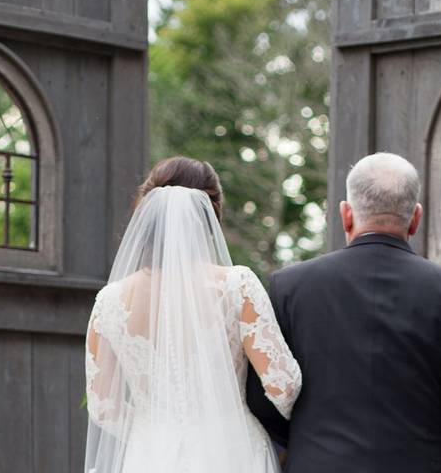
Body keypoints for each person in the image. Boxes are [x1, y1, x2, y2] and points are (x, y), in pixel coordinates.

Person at [246, 152, 441, 472]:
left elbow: (262, 400)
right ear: (416, 218)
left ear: (346, 215)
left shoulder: (289, 289)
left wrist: (312, 446)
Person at [83, 157, 302, 473]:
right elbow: (284, 386)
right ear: (212, 215)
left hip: (149, 456)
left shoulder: (110, 301)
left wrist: (155, 430)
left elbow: (103, 407)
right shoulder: (236, 285)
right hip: (233, 450)